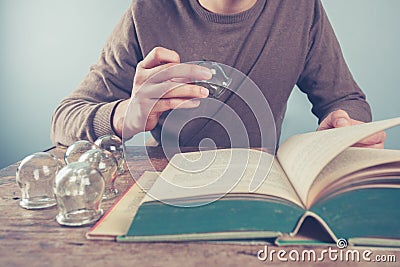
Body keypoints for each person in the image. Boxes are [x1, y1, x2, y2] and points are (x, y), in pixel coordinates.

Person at [51, 0, 386, 149]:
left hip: (263, 192)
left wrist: (345, 124)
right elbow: (64, 120)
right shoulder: (148, 11)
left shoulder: (302, 8)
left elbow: (346, 100)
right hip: (166, 191)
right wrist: (126, 115)